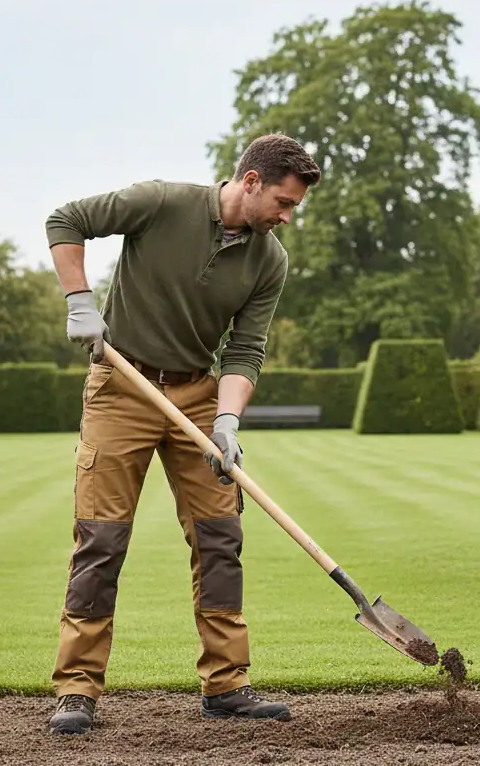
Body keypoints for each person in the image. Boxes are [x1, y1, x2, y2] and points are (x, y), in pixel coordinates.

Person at [43, 133, 321, 735]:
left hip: (198, 395)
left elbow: (246, 350)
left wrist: (226, 421)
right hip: (123, 386)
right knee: (102, 540)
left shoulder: (268, 259)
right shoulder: (163, 203)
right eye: (283, 201)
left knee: (221, 536)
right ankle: (76, 689)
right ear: (250, 181)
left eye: (293, 206)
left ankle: (227, 684)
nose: (286, 216)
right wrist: (80, 301)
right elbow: (66, 220)